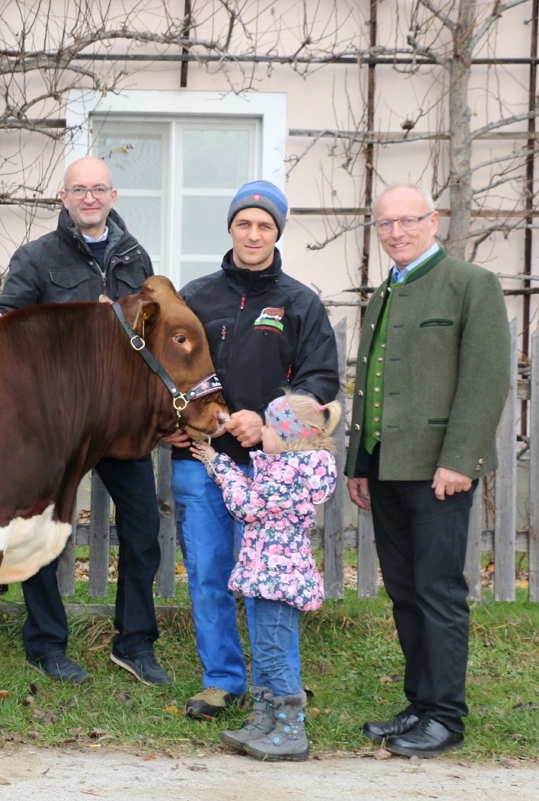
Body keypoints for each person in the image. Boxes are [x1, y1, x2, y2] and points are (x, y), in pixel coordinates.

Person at [0, 156, 170, 686]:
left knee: (142, 530)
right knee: (44, 531)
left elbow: (153, 341)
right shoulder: (37, 257)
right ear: (63, 199)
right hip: (57, 426)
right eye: (79, 190)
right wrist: (75, 326)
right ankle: (45, 644)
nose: (89, 198)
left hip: (119, 423)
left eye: (99, 189)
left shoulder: (136, 258)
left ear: (113, 196)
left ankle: (134, 644)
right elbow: (1, 325)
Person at [346, 184, 511, 758]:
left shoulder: (471, 284)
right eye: (385, 224)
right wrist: (360, 463)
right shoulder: (384, 293)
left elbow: (488, 379)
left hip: (439, 470)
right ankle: (419, 704)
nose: (396, 232)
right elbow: (370, 385)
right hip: (386, 469)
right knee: (405, 592)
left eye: (407, 221)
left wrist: (460, 459)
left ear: (432, 220)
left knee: (439, 593)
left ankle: (446, 716)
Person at [166, 180, 339, 720]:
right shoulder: (197, 297)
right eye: (245, 223)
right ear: (231, 228)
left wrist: (263, 418)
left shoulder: (300, 303)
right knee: (209, 573)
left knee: (270, 581)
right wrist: (168, 422)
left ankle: (277, 683)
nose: (254, 233)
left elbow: (321, 380)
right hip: (201, 464)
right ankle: (221, 680)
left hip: (272, 476)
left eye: (265, 225)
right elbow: (164, 371)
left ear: (277, 233)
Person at [189, 391, 341, 761]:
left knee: (273, 655)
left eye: (271, 426)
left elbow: (246, 505)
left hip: (279, 579)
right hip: (268, 575)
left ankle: (291, 732)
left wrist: (219, 464)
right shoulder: (283, 466)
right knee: (266, 652)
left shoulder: (290, 472)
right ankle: (264, 720)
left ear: (291, 434)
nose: (264, 431)